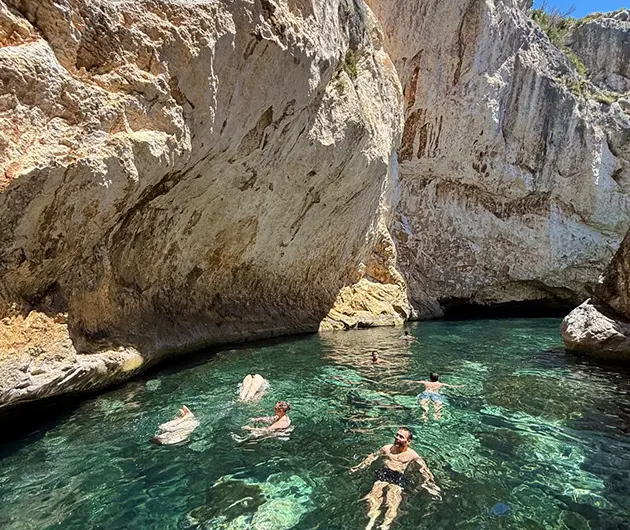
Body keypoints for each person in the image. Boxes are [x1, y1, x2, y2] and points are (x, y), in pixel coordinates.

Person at [350, 427, 440, 530]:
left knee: (393, 502)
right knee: (374, 498)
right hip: (384, 474)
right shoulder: (386, 449)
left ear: (408, 441)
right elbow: (372, 457)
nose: (397, 438)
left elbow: (424, 470)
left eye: (401, 437)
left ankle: (385, 525)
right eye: (397, 435)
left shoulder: (412, 455)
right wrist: (358, 467)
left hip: (398, 477)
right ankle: (370, 523)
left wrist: (430, 484)